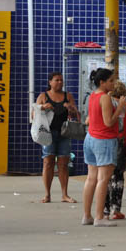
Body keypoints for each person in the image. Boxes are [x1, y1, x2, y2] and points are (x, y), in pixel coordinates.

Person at [82, 68, 126, 227]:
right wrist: (121, 106)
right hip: (104, 140)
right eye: (111, 81)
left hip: (91, 138)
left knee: (91, 178)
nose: (113, 84)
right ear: (102, 82)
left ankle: (87, 215)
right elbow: (109, 122)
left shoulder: (93, 96)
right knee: (103, 179)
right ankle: (99, 216)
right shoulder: (105, 98)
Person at [36, 72, 79, 204]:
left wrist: (70, 108)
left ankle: (64, 194)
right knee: (48, 162)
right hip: (48, 133)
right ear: (50, 82)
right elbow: (34, 112)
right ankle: (47, 194)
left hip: (64, 133)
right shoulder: (43, 96)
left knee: (63, 164)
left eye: (61, 80)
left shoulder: (68, 96)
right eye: (56, 80)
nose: (60, 82)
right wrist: (42, 107)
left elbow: (76, 115)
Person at [104, 81, 126, 220]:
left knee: (106, 176)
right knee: (118, 175)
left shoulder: (109, 105)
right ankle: (116, 209)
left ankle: (105, 209)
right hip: (123, 142)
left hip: (109, 141)